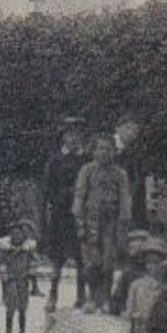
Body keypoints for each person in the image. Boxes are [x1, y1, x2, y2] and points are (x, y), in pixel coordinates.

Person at [71, 134, 131, 314]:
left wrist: (123, 224)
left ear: (114, 152)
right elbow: (80, 196)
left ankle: (105, 298)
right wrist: (79, 221)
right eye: (100, 148)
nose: (104, 152)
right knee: (91, 261)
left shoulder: (120, 174)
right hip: (91, 219)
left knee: (108, 262)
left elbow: (125, 200)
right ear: (94, 151)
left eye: (108, 149)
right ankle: (92, 297)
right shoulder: (87, 170)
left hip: (111, 221)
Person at [39, 125, 87, 313]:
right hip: (61, 215)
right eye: (70, 134)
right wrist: (62, 196)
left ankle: (81, 295)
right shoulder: (55, 161)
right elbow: (47, 189)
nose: (74, 138)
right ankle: (53, 295)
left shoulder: (86, 160)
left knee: (81, 256)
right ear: (63, 138)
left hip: (81, 215)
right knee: (57, 258)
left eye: (77, 134)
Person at [0, 220, 39, 333]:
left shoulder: (27, 249)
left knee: (23, 309)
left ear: (23, 235)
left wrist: (31, 272)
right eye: (14, 233)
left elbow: (35, 262)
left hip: (23, 281)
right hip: (11, 281)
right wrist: (3, 273)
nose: (16, 236)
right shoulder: (5, 250)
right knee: (10, 310)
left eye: (19, 234)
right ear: (10, 235)